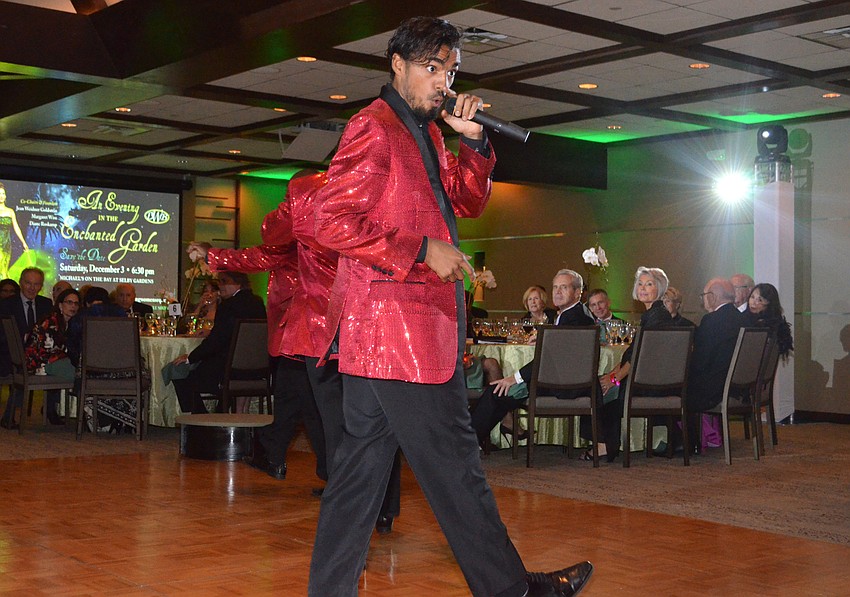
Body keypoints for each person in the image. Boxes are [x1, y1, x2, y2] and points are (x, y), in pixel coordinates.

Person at [308, 18, 593, 592]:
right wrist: (416, 250)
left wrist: (473, 141)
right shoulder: (373, 126)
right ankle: (512, 590)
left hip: (383, 340)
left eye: (451, 70)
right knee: (458, 472)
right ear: (397, 64)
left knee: (358, 478)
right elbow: (325, 220)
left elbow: (466, 201)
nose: (443, 82)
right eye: (431, 68)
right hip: (400, 337)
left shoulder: (428, 133)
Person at [187, 227, 329, 486]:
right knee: (292, 399)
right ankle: (275, 455)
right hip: (306, 336)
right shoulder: (319, 241)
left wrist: (212, 254)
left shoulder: (298, 244)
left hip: (305, 334)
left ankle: (331, 474)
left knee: (310, 408)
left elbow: (255, 258)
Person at [471, 269, 607, 456]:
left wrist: (514, 378)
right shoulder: (577, 314)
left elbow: (549, 359)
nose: (557, 292)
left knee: (496, 390)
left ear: (577, 293)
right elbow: (560, 348)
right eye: (555, 287)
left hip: (560, 386)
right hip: (572, 383)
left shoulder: (572, 318)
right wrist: (545, 338)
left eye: (564, 287)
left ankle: (467, 443)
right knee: (500, 391)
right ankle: (478, 439)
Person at [601, 267, 674, 458]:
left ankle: (604, 446)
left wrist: (614, 379)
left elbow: (640, 357)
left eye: (649, 284)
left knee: (597, 393)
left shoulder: (658, 318)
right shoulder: (652, 315)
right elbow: (631, 353)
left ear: (660, 288)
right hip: (646, 381)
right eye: (640, 284)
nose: (643, 288)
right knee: (600, 385)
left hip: (648, 385)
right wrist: (611, 375)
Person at [171, 271, 266, 414]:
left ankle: (200, 425)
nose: (220, 286)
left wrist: (190, 357)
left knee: (180, 375)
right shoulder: (257, 303)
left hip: (227, 371)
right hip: (256, 370)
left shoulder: (228, 306)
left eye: (224, 282)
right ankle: (218, 417)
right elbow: (237, 333)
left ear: (238, 283)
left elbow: (216, 342)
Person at [686, 277, 747, 451]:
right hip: (739, 387)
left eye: (704, 295)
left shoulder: (711, 321)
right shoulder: (743, 320)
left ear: (712, 297)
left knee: (676, 387)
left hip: (715, 389)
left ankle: (689, 443)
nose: (703, 299)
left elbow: (699, 361)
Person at [0, 267, 54, 429]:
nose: (32, 288)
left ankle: (51, 411)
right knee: (22, 367)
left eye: (36, 284)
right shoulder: (6, 305)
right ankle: (9, 416)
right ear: (21, 283)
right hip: (8, 353)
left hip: (38, 355)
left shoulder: (46, 304)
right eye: (28, 283)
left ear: (41, 286)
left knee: (58, 364)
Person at [23, 288, 79, 424]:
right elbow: (53, 350)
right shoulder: (52, 322)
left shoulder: (66, 322)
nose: (73, 306)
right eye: (69, 302)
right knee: (80, 375)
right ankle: (85, 416)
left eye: (76, 304)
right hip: (40, 362)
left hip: (51, 360)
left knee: (77, 369)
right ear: (60, 305)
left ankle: (51, 408)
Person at [745, 282, 793, 360]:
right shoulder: (741, 319)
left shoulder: (775, 326)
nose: (753, 302)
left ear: (769, 303)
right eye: (752, 297)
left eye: (760, 300)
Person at [0, 182, 29, 280]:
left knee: (4, 268)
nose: (1, 196)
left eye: (3, 193)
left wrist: (24, 243)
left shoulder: (10, 211)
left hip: (6, 244)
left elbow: (16, 227)